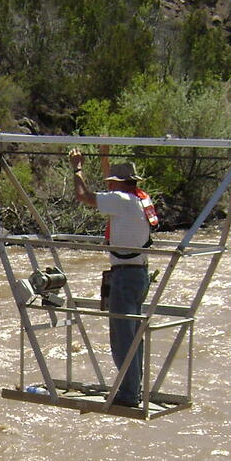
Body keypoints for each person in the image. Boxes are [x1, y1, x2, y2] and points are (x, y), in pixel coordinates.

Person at [69, 146, 153, 406]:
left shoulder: (121, 201)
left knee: (122, 337)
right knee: (133, 335)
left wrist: (77, 168)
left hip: (125, 276)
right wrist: (104, 158)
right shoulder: (137, 199)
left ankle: (128, 395)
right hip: (139, 273)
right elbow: (108, 191)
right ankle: (133, 390)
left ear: (119, 185)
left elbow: (83, 195)